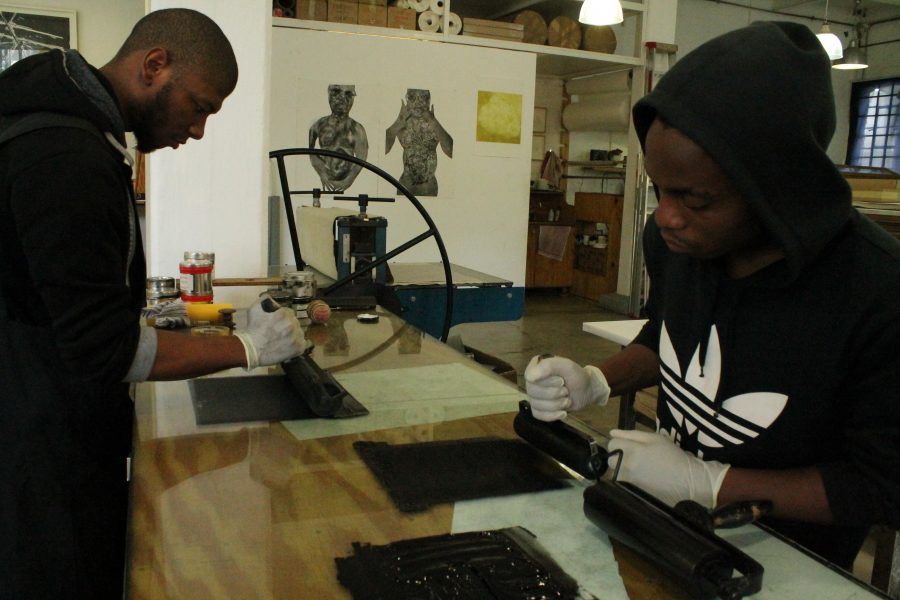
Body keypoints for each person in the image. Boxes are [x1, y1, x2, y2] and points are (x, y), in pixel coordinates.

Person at [525, 21, 900, 571]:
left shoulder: (875, 292)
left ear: (776, 190)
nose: (666, 218)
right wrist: (599, 380)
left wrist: (711, 482)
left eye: (695, 200)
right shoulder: (675, 244)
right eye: (659, 190)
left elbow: (881, 486)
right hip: (665, 531)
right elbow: (669, 332)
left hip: (785, 565)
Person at [0, 9, 306, 598]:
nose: (198, 130)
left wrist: (218, 329)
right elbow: (102, 349)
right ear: (155, 65)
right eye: (200, 106)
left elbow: (79, 305)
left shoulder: (77, 131)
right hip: (37, 450)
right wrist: (244, 347)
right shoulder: (67, 156)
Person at [385, 88, 453, 197]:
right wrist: (399, 121)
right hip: (405, 187)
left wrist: (434, 122)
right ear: (407, 101)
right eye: (412, 97)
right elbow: (382, 151)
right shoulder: (402, 126)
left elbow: (451, 152)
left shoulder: (434, 126)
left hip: (428, 189)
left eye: (423, 97)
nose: (418, 102)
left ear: (429, 100)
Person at [309, 84, 369, 191]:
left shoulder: (357, 129)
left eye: (348, 94)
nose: (342, 98)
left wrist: (349, 180)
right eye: (336, 92)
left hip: (346, 183)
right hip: (324, 179)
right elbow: (311, 151)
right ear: (329, 94)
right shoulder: (318, 125)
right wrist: (322, 173)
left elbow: (362, 157)